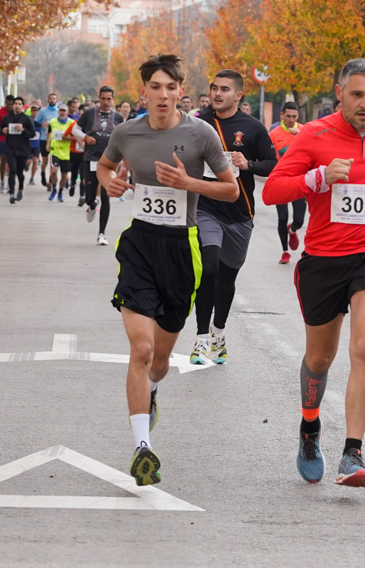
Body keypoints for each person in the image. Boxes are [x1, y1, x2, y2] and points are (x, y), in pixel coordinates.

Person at [261, 58, 365, 487]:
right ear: (340, 92)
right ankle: (310, 427)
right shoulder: (314, 134)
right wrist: (319, 177)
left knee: (364, 346)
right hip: (323, 259)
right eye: (358, 94)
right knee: (320, 357)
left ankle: (353, 453)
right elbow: (272, 190)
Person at [98, 54, 237, 487]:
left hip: (182, 247)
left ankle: (153, 389)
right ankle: (142, 448)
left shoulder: (200, 134)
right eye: (154, 87)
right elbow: (105, 165)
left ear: (181, 91)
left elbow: (231, 190)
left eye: (169, 87)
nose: (162, 94)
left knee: (158, 361)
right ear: (143, 91)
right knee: (139, 351)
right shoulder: (127, 132)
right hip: (140, 244)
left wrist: (189, 184)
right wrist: (110, 182)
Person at [188, 70, 277, 366]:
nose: (217, 93)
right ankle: (201, 339)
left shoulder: (252, 128)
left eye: (224, 89)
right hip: (206, 208)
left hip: (240, 213)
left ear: (238, 95)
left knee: (227, 278)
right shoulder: (199, 123)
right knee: (209, 268)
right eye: (214, 88)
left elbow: (271, 165)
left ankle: (219, 334)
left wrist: (247, 163)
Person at [75, 86, 124, 245]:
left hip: (110, 161)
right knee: (90, 194)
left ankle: (101, 234)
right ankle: (91, 204)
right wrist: (85, 137)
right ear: (99, 97)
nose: (106, 102)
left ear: (113, 99)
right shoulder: (89, 113)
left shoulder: (117, 117)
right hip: (91, 158)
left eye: (109, 99)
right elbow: (75, 129)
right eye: (103, 98)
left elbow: (122, 137)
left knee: (106, 196)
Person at [269, 102, 306, 264]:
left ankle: (293, 229)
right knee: (282, 217)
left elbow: (313, 151)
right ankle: (285, 252)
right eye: (288, 116)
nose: (291, 120)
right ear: (282, 115)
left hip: (299, 180)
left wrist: (302, 138)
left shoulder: (305, 131)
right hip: (281, 180)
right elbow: (269, 157)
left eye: (294, 117)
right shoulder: (274, 133)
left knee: (300, 219)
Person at [0, 97, 35, 203]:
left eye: (20, 104)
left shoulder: (26, 119)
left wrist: (23, 130)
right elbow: (0, 129)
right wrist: (3, 131)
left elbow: (32, 134)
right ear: (13, 105)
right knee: (12, 169)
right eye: (16, 104)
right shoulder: (6, 118)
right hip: (10, 148)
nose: (17, 106)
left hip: (22, 149)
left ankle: (20, 188)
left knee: (20, 172)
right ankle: (11, 194)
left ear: (23, 106)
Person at [46, 104, 73, 202]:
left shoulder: (72, 123)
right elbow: (49, 132)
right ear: (58, 112)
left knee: (64, 176)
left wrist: (67, 138)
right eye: (61, 110)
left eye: (64, 111)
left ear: (67, 112)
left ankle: (60, 192)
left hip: (67, 152)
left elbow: (76, 136)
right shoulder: (53, 122)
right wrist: (47, 143)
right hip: (55, 150)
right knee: (53, 171)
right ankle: (54, 188)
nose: (62, 112)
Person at [35, 93, 60, 187]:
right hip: (44, 139)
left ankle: (50, 180)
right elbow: (35, 123)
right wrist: (41, 125)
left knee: (52, 162)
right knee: (44, 161)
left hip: (55, 140)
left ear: (56, 100)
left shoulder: (58, 111)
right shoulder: (43, 111)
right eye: (51, 98)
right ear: (47, 100)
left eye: (54, 98)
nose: (52, 100)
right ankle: (42, 174)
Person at [0, 95, 14, 192]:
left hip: (14, 140)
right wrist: (1, 130)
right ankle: (2, 181)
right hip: (3, 139)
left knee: (12, 162)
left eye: (11, 104)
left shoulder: (16, 113)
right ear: (5, 103)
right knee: (3, 161)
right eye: (7, 104)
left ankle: (10, 183)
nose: (9, 106)